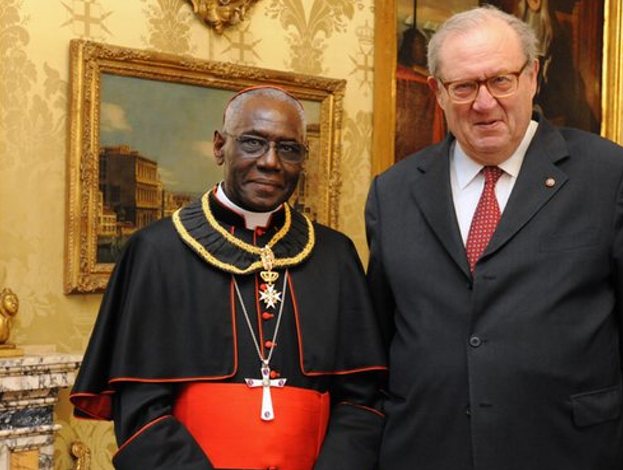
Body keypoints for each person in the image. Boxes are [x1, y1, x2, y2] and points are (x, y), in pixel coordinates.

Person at [365, 6, 623, 469]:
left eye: (501, 81)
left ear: (532, 76)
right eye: (464, 86)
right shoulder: (392, 193)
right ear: (438, 92)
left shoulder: (609, 179)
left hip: (567, 453)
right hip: (426, 451)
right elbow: (379, 346)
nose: (484, 103)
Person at [71, 86, 387, 469]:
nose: (271, 162)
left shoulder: (334, 256)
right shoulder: (157, 252)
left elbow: (362, 398)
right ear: (220, 146)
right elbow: (139, 409)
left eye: (289, 149)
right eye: (253, 142)